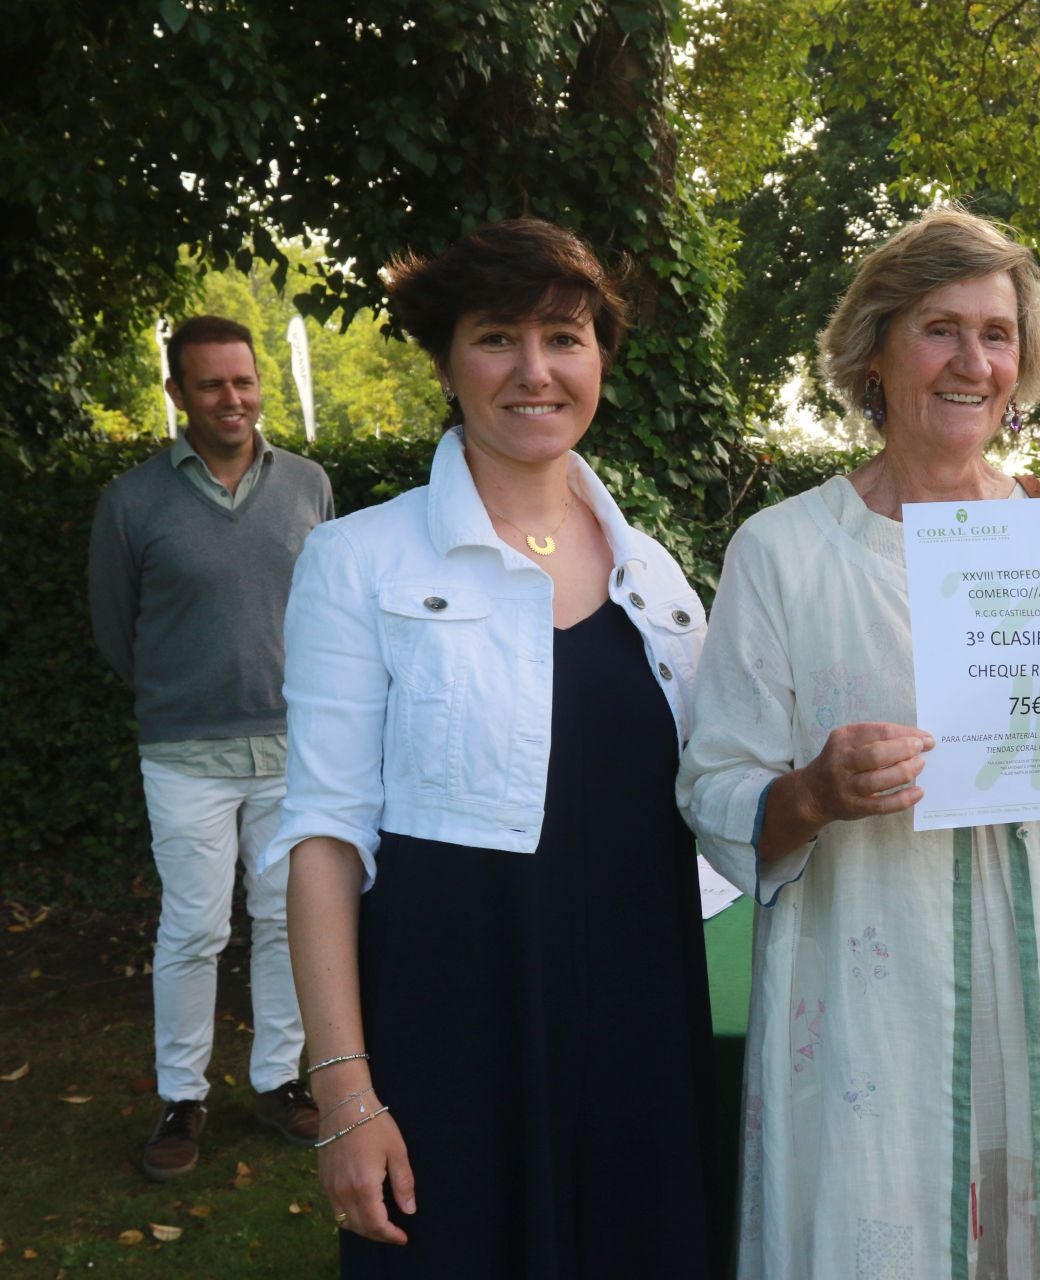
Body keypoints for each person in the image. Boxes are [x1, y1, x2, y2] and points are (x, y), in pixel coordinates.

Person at [679, 207, 1040, 1279]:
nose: (973, 360)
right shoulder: (785, 551)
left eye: (998, 333)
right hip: (880, 972)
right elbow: (714, 784)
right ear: (875, 351)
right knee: (891, 1213)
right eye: (939, 328)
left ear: (1024, 365)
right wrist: (816, 790)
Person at [264, 219, 716, 1276]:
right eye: (496, 337)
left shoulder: (658, 580)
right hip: (452, 1024)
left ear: (601, 356)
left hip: (641, 1023)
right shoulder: (356, 559)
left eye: (564, 337)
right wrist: (343, 1093)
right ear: (445, 361)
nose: (534, 370)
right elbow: (324, 837)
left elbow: (718, 798)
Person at [87, 315, 332, 1180]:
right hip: (185, 754)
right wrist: (183, 693)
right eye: (211, 385)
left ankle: (278, 1083)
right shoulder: (133, 500)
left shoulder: (308, 484)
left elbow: (330, 614)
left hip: (293, 749)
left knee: (283, 925)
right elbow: (118, 631)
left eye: (244, 380)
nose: (233, 398)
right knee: (193, 930)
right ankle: (181, 1098)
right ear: (177, 395)